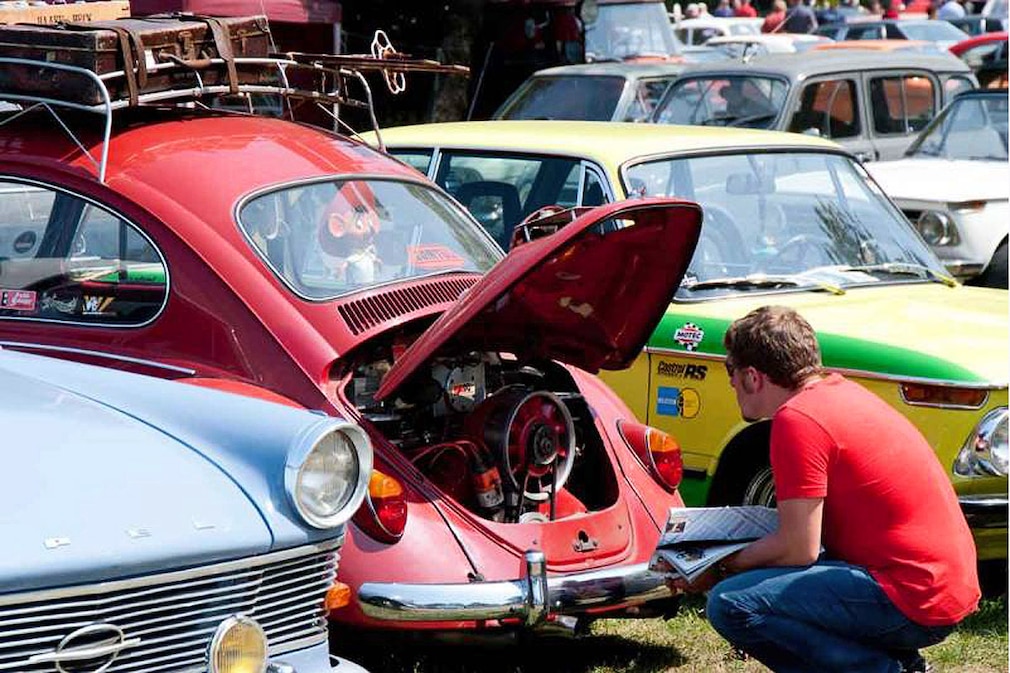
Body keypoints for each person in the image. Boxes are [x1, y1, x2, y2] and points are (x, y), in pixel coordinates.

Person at [671, 306, 981, 673]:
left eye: (730, 370)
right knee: (759, 584)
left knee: (731, 603)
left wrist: (718, 568)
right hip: (942, 584)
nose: (730, 383)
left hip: (913, 595)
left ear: (752, 376)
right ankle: (901, 662)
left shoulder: (797, 420)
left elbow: (798, 548)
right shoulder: (841, 392)